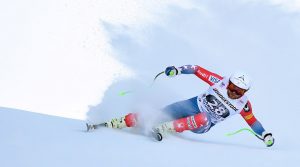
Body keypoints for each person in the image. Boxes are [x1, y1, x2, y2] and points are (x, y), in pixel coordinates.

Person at [87, 65, 275, 147]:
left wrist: (265, 134)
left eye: (239, 91)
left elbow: (252, 122)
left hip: (204, 124)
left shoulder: (243, 105)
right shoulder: (219, 82)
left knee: (205, 118)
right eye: (233, 87)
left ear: (245, 92)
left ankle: (163, 128)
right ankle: (110, 123)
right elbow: (196, 69)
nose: (234, 92)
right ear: (229, 83)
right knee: (158, 113)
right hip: (192, 104)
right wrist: (177, 70)